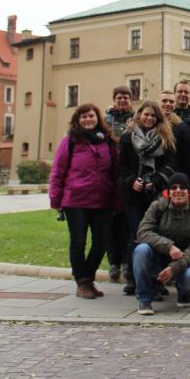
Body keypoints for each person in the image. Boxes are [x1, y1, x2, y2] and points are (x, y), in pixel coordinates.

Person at [49, 103, 118, 299]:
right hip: (76, 200)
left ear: (98, 118)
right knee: (78, 242)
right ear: (78, 120)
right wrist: (55, 199)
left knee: (102, 242)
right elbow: (58, 171)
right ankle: (82, 281)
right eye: (84, 117)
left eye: (92, 116)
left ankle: (88, 277)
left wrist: (116, 200)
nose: (88, 119)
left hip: (101, 200)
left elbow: (114, 173)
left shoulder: (107, 143)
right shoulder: (70, 141)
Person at [116, 99, 175, 296]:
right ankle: (133, 279)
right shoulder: (127, 138)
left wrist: (157, 181)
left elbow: (169, 166)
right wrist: (132, 180)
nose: (149, 118)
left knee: (157, 237)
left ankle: (156, 280)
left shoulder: (165, 138)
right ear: (139, 115)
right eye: (146, 114)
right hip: (133, 196)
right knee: (136, 236)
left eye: (153, 115)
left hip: (155, 196)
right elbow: (121, 168)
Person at [133, 172, 190, 315]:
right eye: (174, 188)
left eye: (182, 188)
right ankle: (144, 299)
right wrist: (168, 246)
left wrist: (174, 268)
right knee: (141, 250)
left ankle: (184, 291)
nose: (178, 191)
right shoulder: (156, 207)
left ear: (188, 191)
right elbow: (143, 232)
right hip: (158, 256)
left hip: (185, 259)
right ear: (168, 192)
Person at [105, 85, 136, 283]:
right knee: (110, 224)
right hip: (109, 175)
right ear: (114, 99)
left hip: (126, 175)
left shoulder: (135, 118)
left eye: (125, 97)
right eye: (119, 97)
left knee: (126, 223)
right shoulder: (106, 119)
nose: (122, 100)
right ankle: (113, 262)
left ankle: (125, 262)